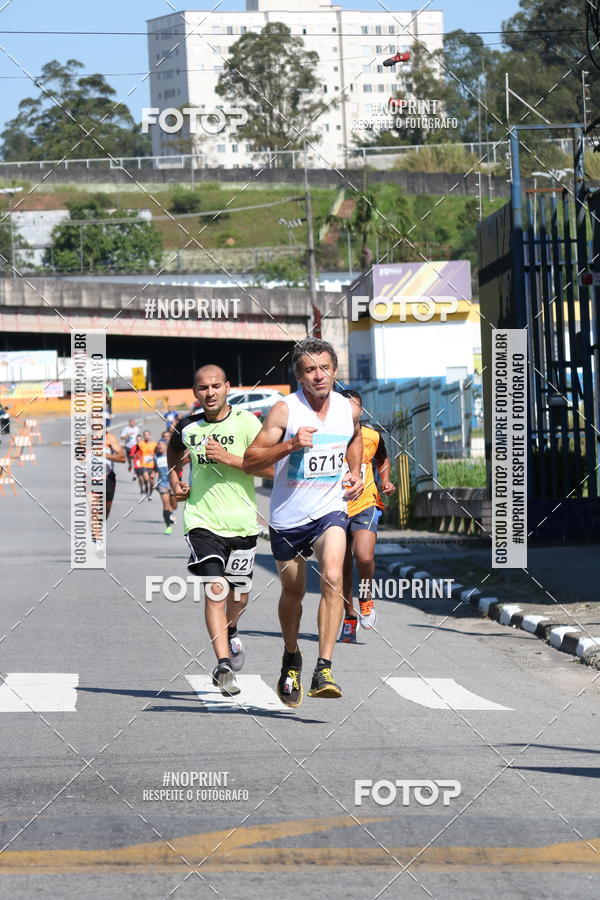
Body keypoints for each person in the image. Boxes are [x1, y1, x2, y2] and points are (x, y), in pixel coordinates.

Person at [243, 338, 363, 707]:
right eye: (310, 369)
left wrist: (356, 471)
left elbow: (355, 438)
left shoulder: (348, 408)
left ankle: (323, 668)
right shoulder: (285, 410)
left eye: (325, 368)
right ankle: (291, 656)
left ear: (335, 371)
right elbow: (250, 460)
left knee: (333, 577)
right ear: (299, 376)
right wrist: (291, 445)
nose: (319, 375)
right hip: (288, 517)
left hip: (330, 509)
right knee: (293, 593)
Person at [167, 365, 273, 697]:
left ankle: (232, 627)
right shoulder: (188, 426)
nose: (210, 392)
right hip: (202, 521)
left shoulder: (248, 423)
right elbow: (173, 452)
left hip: (242, 523)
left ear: (227, 387)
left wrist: (229, 458)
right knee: (216, 589)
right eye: (203, 388)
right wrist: (176, 481)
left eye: (216, 386)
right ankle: (223, 665)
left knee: (239, 596)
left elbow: (271, 468)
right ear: (195, 392)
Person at [338, 390, 396, 643]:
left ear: (361, 410)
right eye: (345, 407)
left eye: (355, 407)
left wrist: (385, 480)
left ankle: (365, 596)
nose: (351, 411)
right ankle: (349, 615)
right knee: (341, 567)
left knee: (364, 557)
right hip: (335, 507)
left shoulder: (372, 436)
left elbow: (383, 459)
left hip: (365, 502)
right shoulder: (328, 437)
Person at [155, 439, 177, 534]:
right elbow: (154, 469)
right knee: (166, 505)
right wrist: (153, 475)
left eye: (162, 444)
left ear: (165, 446)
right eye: (158, 444)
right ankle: (168, 526)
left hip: (172, 483)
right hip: (162, 484)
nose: (160, 446)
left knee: (174, 506)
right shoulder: (155, 456)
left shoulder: (170, 455)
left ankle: (171, 513)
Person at [137, 430, 158, 499]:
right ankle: (146, 486)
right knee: (146, 479)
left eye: (147, 435)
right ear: (143, 436)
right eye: (145, 435)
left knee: (152, 483)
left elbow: (158, 453)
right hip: (144, 465)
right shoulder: (140, 444)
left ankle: (150, 494)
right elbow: (135, 451)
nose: (146, 436)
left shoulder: (154, 444)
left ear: (150, 435)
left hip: (152, 466)